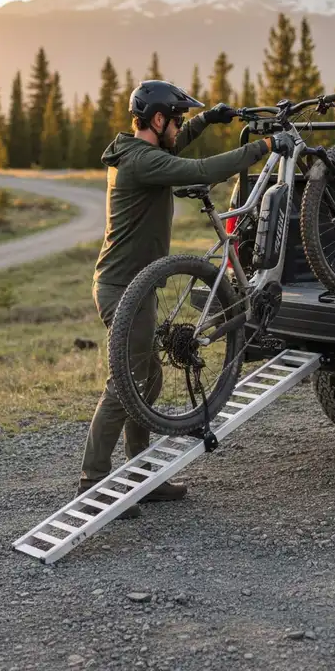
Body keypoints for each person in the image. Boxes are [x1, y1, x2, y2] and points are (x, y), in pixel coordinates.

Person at [77, 79, 294, 518]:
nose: (177, 127)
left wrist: (204, 121)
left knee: (148, 379)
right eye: (174, 120)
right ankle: (94, 483)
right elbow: (199, 172)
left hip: (133, 285)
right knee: (127, 384)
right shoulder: (141, 163)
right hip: (123, 290)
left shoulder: (134, 153)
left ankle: (140, 477)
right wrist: (266, 146)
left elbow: (172, 152)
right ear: (157, 120)